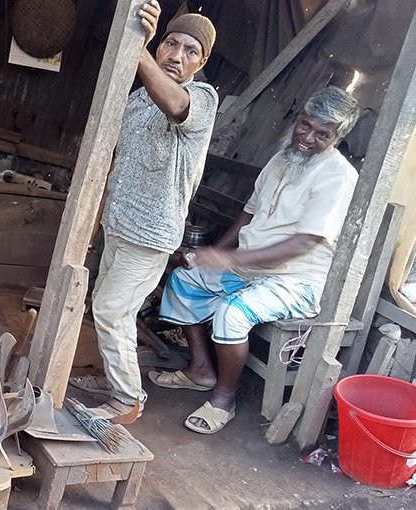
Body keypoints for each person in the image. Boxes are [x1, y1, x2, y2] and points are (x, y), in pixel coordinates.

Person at [150, 86, 361, 434]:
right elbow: (248, 214)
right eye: (305, 125)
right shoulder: (281, 160)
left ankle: (224, 399)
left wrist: (229, 259)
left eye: (322, 134)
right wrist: (212, 254)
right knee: (184, 280)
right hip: (248, 268)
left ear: (337, 137)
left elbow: (305, 242)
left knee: (231, 313)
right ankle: (201, 370)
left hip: (296, 280)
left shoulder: (339, 176)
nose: (308, 138)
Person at [69, 3, 219, 422]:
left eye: (190, 51)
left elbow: (175, 104)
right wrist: (95, 224)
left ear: (201, 62)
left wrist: (137, 48)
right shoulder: (138, 99)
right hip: (119, 225)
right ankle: (115, 377)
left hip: (150, 235)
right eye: (171, 44)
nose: (176, 55)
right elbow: (115, 164)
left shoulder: (202, 99)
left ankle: (127, 398)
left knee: (112, 310)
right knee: (108, 305)